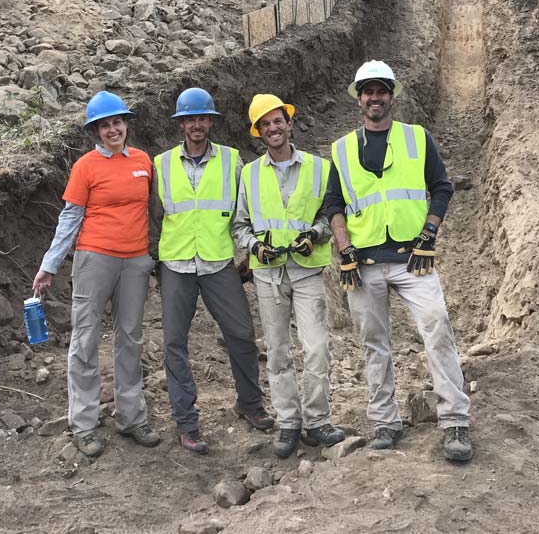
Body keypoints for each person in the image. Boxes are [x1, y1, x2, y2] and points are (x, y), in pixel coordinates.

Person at [324, 60, 473, 463]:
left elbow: (441, 186)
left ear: (392, 96)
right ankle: (384, 421)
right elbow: (334, 204)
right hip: (365, 262)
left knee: (438, 326)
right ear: (359, 99)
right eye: (368, 91)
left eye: (381, 90)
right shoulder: (341, 149)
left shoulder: (417, 139)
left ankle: (455, 420)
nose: (375, 97)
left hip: (413, 259)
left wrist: (429, 232)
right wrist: (344, 248)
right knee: (375, 344)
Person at [32, 91, 160, 459]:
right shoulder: (85, 166)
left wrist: (161, 255)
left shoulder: (142, 161)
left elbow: (153, 210)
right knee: (85, 339)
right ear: (96, 131)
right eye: (105, 125)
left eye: (117, 122)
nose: (113, 129)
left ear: (126, 124)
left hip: (136, 260)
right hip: (95, 260)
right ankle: (84, 424)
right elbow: (70, 217)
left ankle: (132, 417)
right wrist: (49, 265)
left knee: (130, 339)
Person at [149, 86, 274, 455]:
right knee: (174, 343)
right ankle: (186, 423)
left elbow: (247, 209)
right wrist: (155, 260)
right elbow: (154, 218)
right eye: (190, 119)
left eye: (202, 118)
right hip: (176, 264)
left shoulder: (232, 161)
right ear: (181, 124)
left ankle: (249, 404)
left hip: (219, 262)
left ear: (210, 122)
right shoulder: (162, 164)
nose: (196, 125)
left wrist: (248, 254)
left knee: (241, 333)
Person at [232, 94, 347, 458]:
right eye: (265, 124)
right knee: (278, 352)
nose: (273, 128)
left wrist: (314, 234)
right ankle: (287, 422)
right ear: (259, 132)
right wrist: (254, 247)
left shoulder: (319, 168)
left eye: (277, 120)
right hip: (268, 274)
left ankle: (317, 421)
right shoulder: (249, 174)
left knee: (316, 348)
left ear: (289, 122)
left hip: (307, 271)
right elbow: (240, 225)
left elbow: (331, 215)